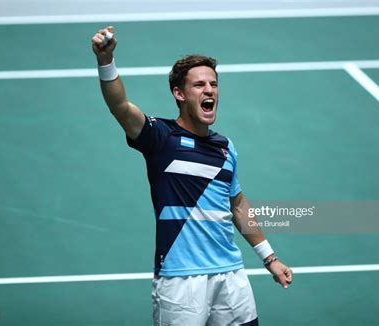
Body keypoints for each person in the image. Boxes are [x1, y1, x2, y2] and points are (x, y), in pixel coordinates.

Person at [91, 26, 293, 326]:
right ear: (179, 93)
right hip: (181, 280)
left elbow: (237, 205)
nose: (209, 90)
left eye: (213, 84)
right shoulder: (160, 137)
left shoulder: (225, 147)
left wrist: (270, 258)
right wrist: (106, 61)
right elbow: (119, 107)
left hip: (231, 273)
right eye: (199, 85)